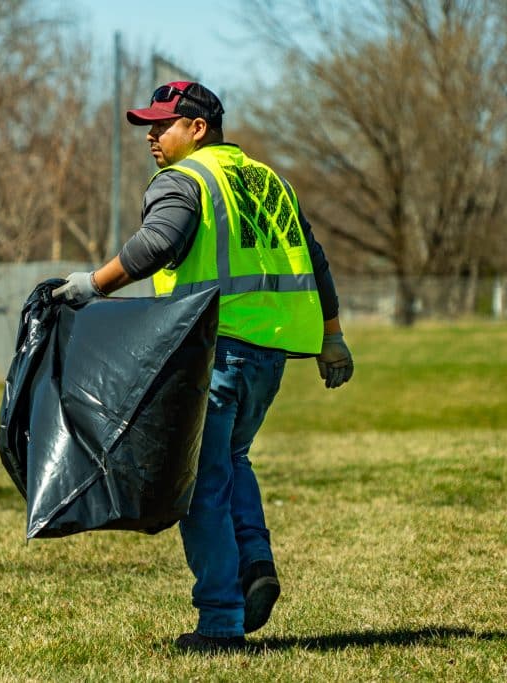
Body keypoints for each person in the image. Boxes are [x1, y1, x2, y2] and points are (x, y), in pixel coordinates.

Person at [56, 81, 354, 653]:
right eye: (148, 125)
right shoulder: (269, 181)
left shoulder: (185, 179)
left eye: (161, 125)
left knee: (200, 485)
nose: (151, 136)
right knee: (228, 462)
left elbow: (157, 244)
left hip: (215, 352)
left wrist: (91, 286)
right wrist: (332, 338)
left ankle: (221, 621)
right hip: (270, 353)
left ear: (198, 128)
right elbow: (314, 259)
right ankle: (254, 565)